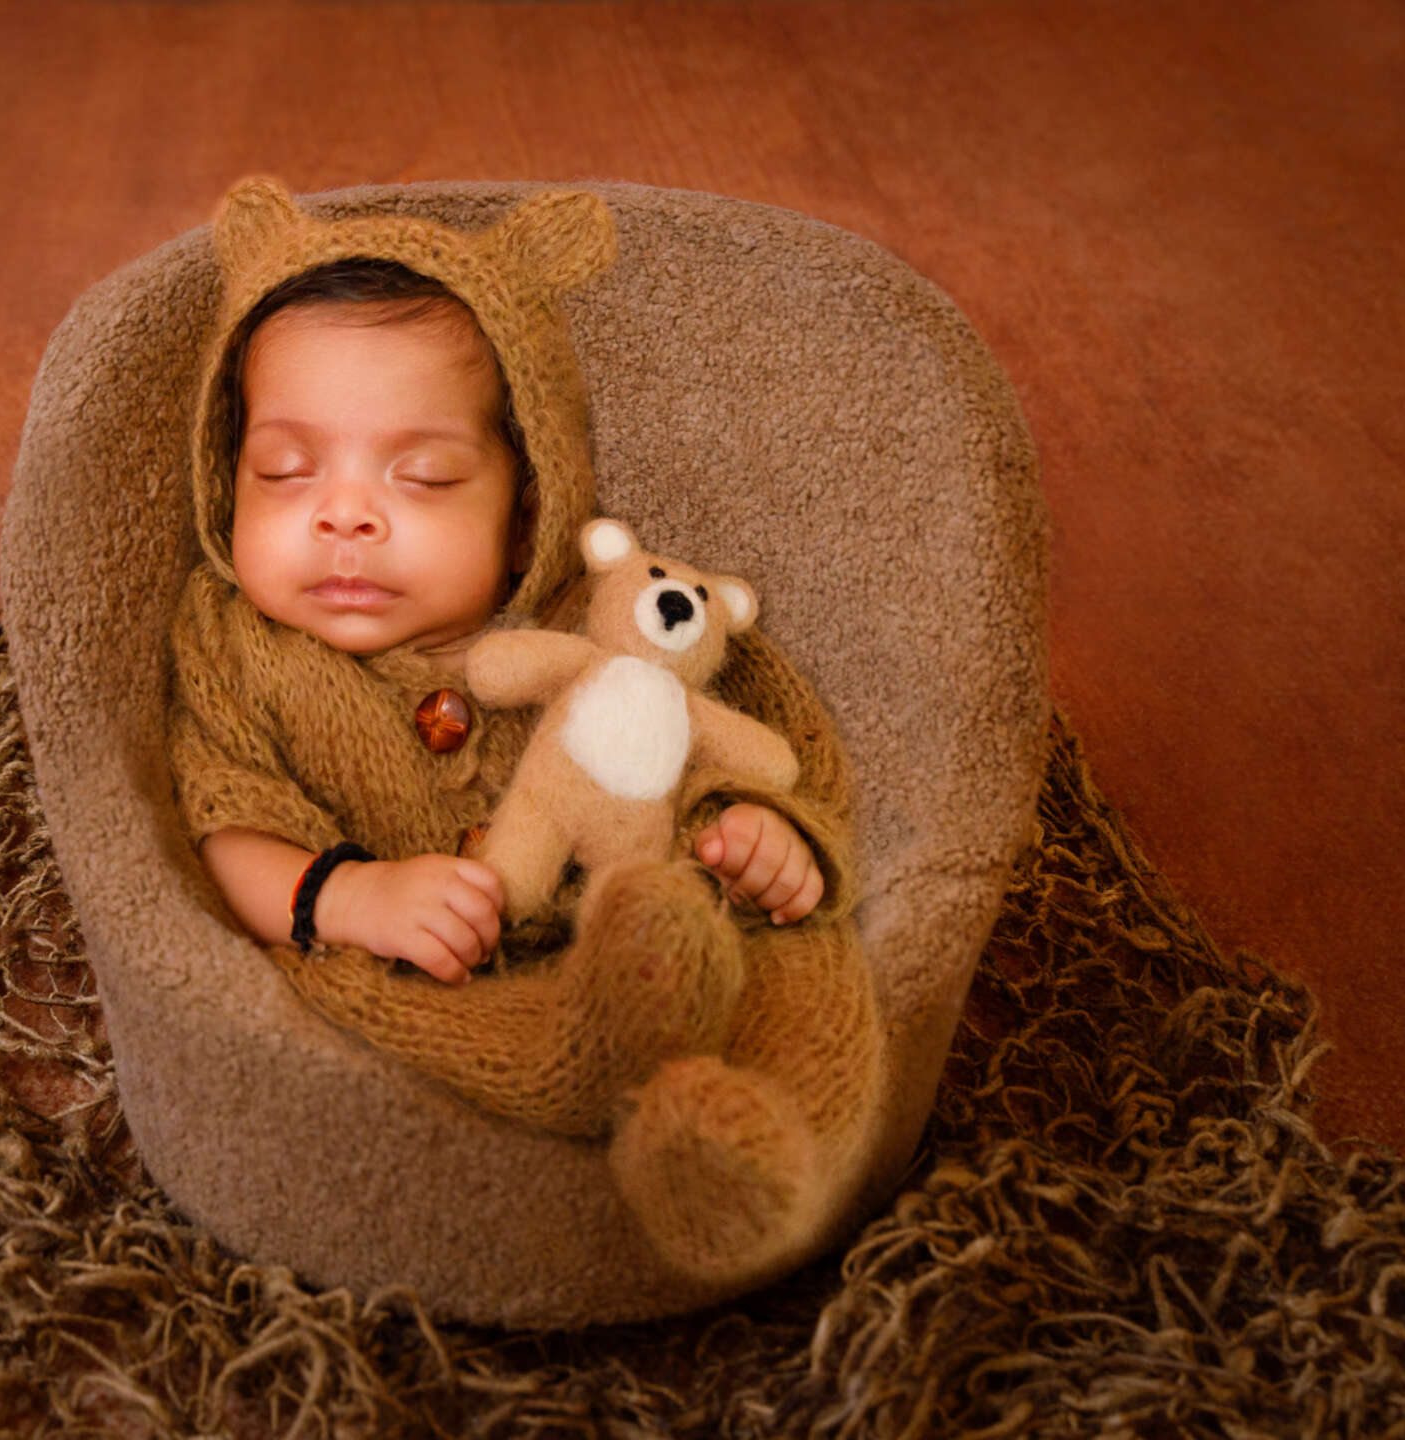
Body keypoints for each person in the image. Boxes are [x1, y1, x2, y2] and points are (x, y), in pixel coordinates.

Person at [168, 178, 881, 1284]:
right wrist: (353, 897)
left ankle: (762, 1155)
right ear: (228, 478)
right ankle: (631, 1082)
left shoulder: (589, 614)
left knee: (807, 976)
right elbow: (226, 824)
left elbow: (759, 726)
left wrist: (760, 830)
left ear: (528, 509)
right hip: (449, 979)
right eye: (284, 471)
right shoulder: (236, 645)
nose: (343, 514)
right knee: (480, 1038)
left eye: (426, 476)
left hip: (669, 906)